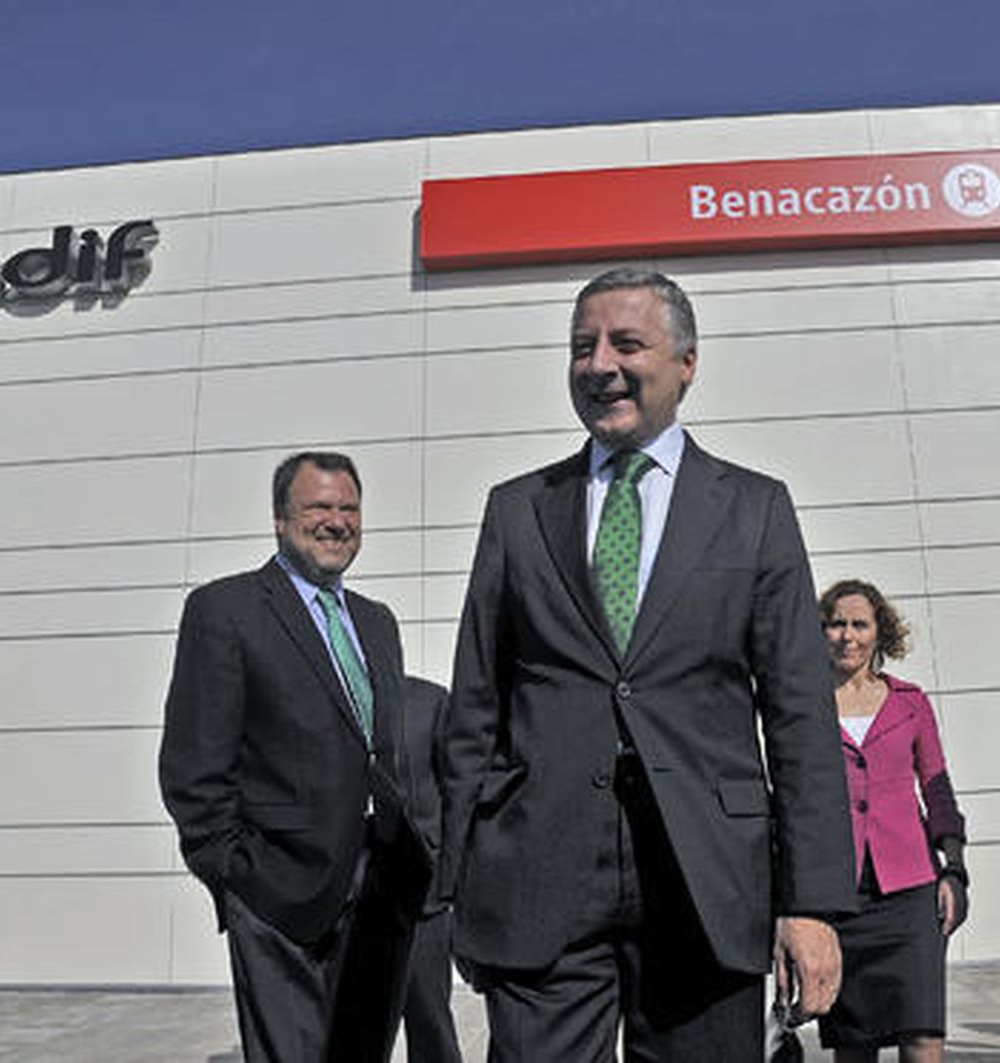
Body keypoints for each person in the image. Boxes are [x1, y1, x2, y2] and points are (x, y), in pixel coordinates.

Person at [441, 268, 858, 1062]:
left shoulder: (755, 508)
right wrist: (455, 883)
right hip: (538, 872)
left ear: (687, 362)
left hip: (707, 879)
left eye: (626, 344)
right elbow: (475, 708)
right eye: (582, 347)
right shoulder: (517, 510)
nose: (599, 364)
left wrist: (812, 904)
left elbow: (800, 715)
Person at [159, 451, 432, 1063]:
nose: (337, 521)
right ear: (280, 520)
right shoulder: (226, 610)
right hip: (277, 888)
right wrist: (236, 874)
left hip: (380, 889)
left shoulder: (377, 622)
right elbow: (193, 764)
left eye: (349, 508)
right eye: (319, 507)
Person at [816, 579, 967, 1063]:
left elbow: (937, 790)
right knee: (853, 1045)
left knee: (923, 1036)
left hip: (911, 893)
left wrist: (954, 869)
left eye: (860, 624)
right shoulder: (804, 706)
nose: (848, 635)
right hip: (839, 897)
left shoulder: (910, 701)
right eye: (836, 624)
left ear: (879, 632)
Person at [402, 674, 464, 1063]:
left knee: (429, 1019)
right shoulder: (325, 700)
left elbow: (456, 789)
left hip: (422, 896)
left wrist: (448, 875)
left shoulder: (430, 701)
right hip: (346, 891)